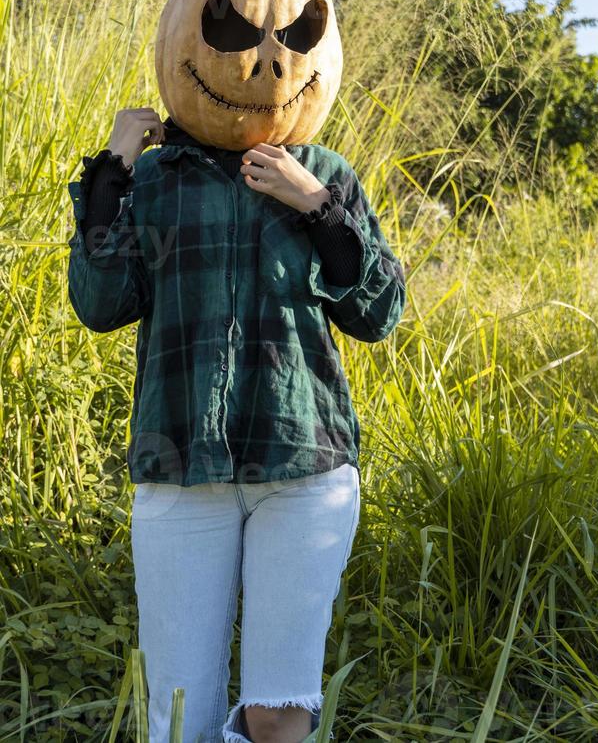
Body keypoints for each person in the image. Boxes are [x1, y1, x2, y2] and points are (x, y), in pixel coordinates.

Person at [66, 107, 406, 743]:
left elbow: (380, 313)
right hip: (179, 467)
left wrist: (318, 207)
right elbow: (100, 303)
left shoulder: (322, 170)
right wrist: (112, 169)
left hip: (301, 467)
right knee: (179, 716)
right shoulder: (152, 179)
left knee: (277, 716)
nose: (257, 59)